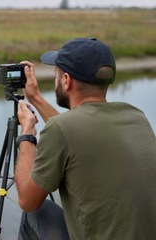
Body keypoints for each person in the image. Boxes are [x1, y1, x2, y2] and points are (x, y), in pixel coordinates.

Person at [14, 38, 156, 240]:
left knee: (35, 213)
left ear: (66, 80)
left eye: (56, 74)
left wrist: (27, 134)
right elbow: (74, 131)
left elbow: (27, 201)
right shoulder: (136, 117)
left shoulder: (61, 130)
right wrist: (35, 98)